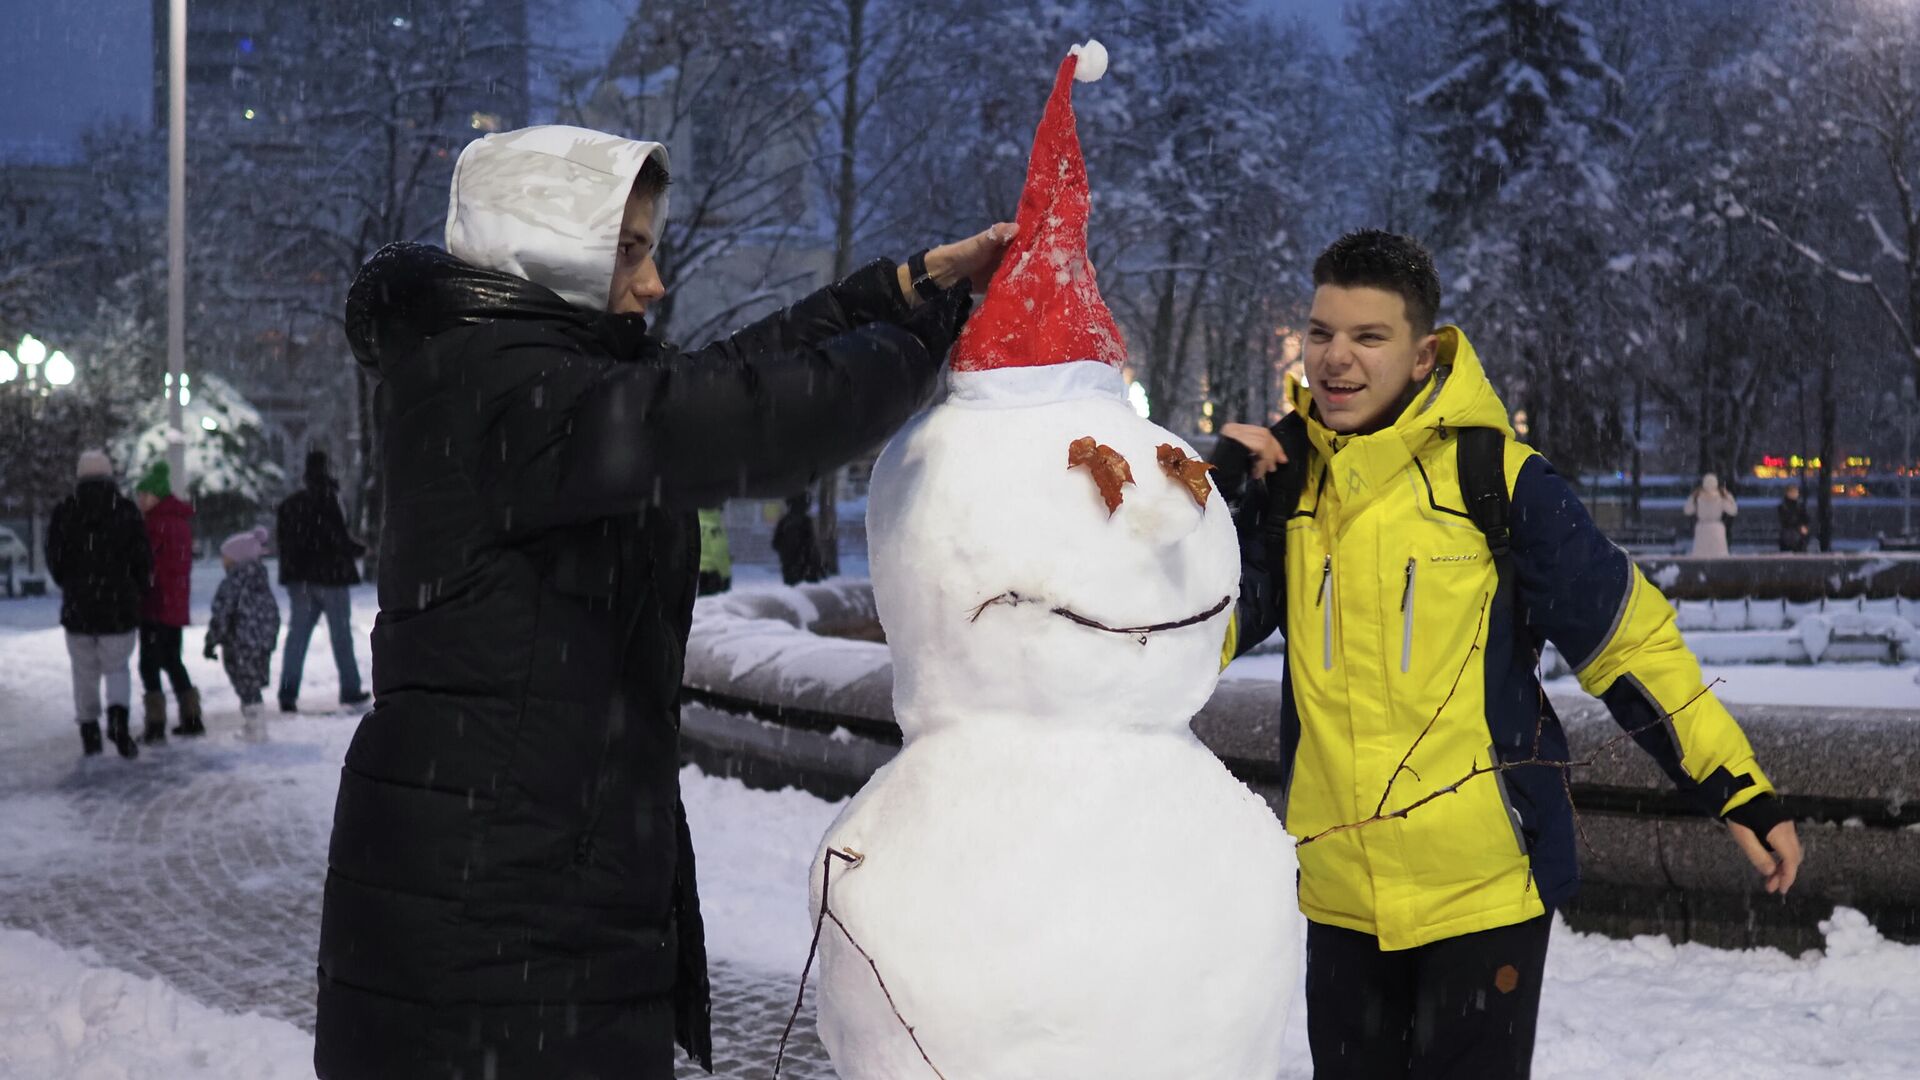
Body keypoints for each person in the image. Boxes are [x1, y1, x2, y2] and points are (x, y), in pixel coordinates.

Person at [313, 123, 1011, 1080]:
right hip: (493, 935)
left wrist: (914, 289)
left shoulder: (519, 368)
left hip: (519, 896)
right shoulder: (507, 391)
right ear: (550, 253)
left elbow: (728, 375)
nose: (653, 284)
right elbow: (756, 418)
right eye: (629, 253)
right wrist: (925, 339)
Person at [1212, 231, 1801, 1080]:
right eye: (1321, 333)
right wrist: (1211, 503)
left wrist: (1740, 790)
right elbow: (1193, 637)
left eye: (1367, 337)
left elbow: (1630, 645)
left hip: (1484, 891)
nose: (1335, 359)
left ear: (1422, 355)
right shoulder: (1289, 486)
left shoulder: (1500, 479)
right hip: (1340, 892)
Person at [46, 450, 152, 759]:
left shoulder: (65, 512)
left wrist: (73, 583)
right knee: (117, 667)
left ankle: (89, 729)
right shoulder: (126, 511)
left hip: (79, 607)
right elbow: (142, 560)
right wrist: (136, 587)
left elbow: (56, 559)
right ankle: (118, 719)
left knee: (84, 672)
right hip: (118, 607)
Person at [274, 450, 368, 712]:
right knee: (341, 636)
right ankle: (350, 689)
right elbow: (337, 538)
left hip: (301, 581)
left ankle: (288, 693)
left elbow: (285, 543)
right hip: (331, 579)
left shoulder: (290, 505)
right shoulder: (328, 500)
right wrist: (359, 549)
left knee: (297, 637)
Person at [133, 459, 201, 741]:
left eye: (143, 494)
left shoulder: (154, 525)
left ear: (155, 496)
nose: (139, 500)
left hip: (155, 604)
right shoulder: (179, 523)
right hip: (175, 605)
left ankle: (156, 723)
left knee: (149, 664)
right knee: (173, 660)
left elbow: (150, 566)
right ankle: (191, 716)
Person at [206, 526, 281, 741]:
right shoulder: (260, 580)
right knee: (252, 682)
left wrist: (212, 640)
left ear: (236, 558)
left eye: (225, 557)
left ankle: (255, 727)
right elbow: (272, 613)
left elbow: (222, 613)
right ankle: (255, 724)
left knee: (244, 684)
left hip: (239, 643)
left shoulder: (233, 582)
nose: (223, 561)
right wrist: (268, 640)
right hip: (260, 641)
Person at [772, 492, 826, 586]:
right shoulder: (805, 521)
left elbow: (776, 543)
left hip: (790, 562)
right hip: (802, 563)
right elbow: (810, 543)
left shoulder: (785, 521)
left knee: (792, 587)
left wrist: (784, 551)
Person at [1685, 472, 1738, 557]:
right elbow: (1733, 511)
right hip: (1717, 529)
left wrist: (1692, 496)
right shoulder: (1721, 498)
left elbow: (1687, 510)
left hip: (1702, 528)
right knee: (1719, 558)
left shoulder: (1698, 497)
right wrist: (1728, 496)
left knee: (1700, 558)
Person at [696, 507, 731, 595]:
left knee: (703, 604)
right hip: (712, 575)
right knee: (713, 604)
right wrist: (725, 576)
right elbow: (719, 553)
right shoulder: (714, 529)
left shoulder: (697, 526)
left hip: (698, 573)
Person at [1777, 483, 1811, 553]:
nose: (1796, 494)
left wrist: (1805, 527)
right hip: (1789, 534)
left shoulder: (1800, 506)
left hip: (1798, 534)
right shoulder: (1783, 507)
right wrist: (1800, 526)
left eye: (1796, 492)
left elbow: (1806, 518)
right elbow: (1787, 521)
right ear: (1788, 493)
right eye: (1793, 492)